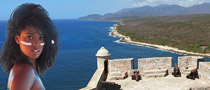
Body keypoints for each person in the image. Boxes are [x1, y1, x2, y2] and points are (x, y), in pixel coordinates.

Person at [0, 3, 59, 90]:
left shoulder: (22, 68)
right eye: (29, 37)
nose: (36, 44)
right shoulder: (25, 70)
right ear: (17, 39)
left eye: (41, 38)